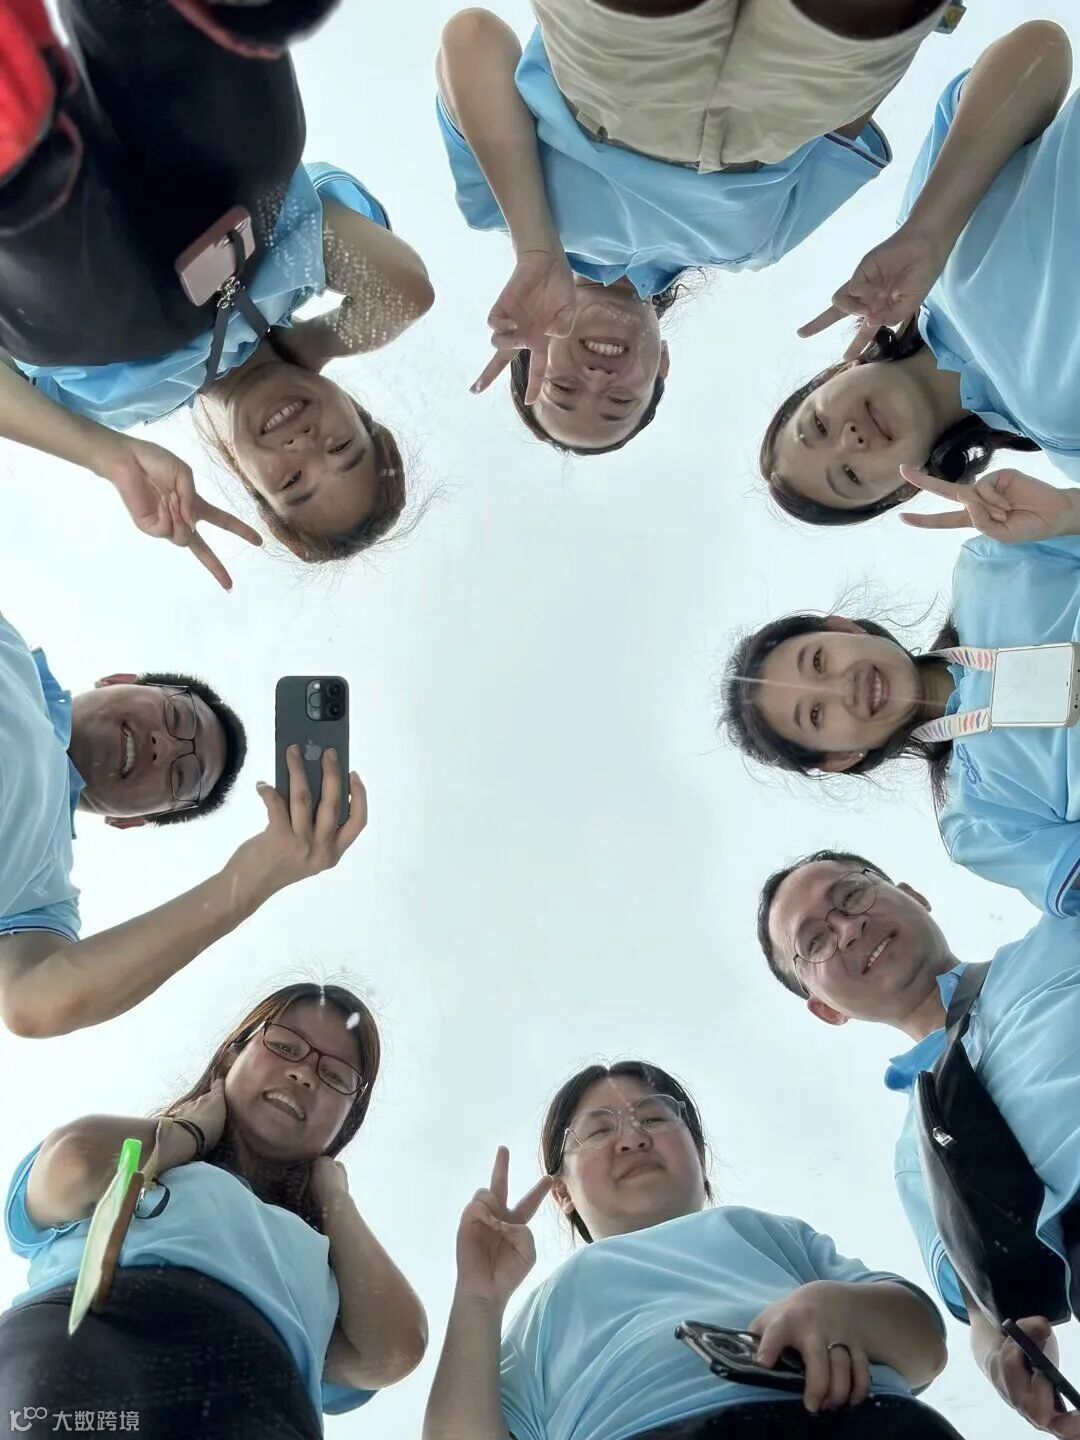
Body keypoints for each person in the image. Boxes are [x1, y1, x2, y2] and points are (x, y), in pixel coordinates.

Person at [0, 0, 434, 584]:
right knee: (263, 175)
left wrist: (102, 453)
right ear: (352, 408)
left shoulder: (119, 408)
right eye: (342, 447)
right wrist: (312, 343)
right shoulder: (292, 281)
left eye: (292, 482)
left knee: (102, 325)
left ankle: (15, 141)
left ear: (245, 479)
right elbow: (406, 290)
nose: (307, 445)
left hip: (60, 254)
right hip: (211, 166)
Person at [436, 2, 956, 457]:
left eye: (564, 388)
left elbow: (472, 36)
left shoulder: (500, 206)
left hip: (611, 78)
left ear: (531, 348)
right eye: (620, 402)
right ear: (661, 364)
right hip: (779, 111)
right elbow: (846, 112)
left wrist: (536, 246)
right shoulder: (754, 250)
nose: (597, 380)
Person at [423, 1058, 960, 1440]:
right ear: (561, 1193)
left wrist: (835, 1307)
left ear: (699, 1159)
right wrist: (478, 1297)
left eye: (655, 1118)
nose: (632, 1137)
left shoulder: (766, 1232)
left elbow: (924, 1343)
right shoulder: (551, 1304)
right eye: (599, 1131)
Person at [0, 981, 428, 1438]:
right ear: (230, 1058)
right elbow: (74, 1163)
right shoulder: (152, 1158)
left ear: (345, 1124)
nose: (304, 1074)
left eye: (335, 1077)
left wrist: (335, 1199)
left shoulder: (326, 1261)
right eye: (285, 1046)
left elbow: (395, 1348)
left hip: (265, 1405)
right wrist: (188, 1131)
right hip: (82, 1354)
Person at [756, 848, 1080, 1438]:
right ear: (826, 1010)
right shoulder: (916, 1157)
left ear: (914, 895)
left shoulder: (1065, 929)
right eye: (816, 940)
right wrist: (1001, 1358)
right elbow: (983, 1309)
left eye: (852, 895)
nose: (848, 928)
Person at [758, 21, 1075, 526]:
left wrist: (930, 229)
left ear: (830, 377)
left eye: (817, 426)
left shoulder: (919, 233)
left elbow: (1043, 50)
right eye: (851, 476)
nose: (850, 439)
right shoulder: (1064, 437)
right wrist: (1070, 514)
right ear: (905, 491)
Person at [721, 469, 1080, 913]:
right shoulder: (976, 822)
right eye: (815, 715)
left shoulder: (991, 565)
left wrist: (1070, 510)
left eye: (818, 662)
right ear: (840, 758)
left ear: (844, 628)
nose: (843, 688)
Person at [0, 605, 366, 1038]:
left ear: (132, 821)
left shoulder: (42, 890)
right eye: (177, 716)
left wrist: (249, 878)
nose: (167, 747)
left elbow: (33, 1002)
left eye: (182, 777)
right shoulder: (10, 649)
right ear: (119, 681)